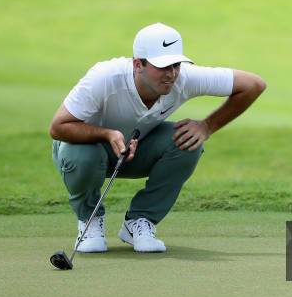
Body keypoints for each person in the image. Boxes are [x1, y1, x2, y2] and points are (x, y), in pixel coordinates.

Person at [49, 23, 266, 253]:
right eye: (162, 66)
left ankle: (139, 222)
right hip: (84, 151)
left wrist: (207, 126)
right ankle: (89, 220)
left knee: (188, 142)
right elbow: (59, 126)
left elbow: (254, 85)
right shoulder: (105, 77)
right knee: (83, 155)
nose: (171, 74)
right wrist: (107, 133)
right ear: (137, 64)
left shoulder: (184, 79)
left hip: (137, 150)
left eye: (175, 65)